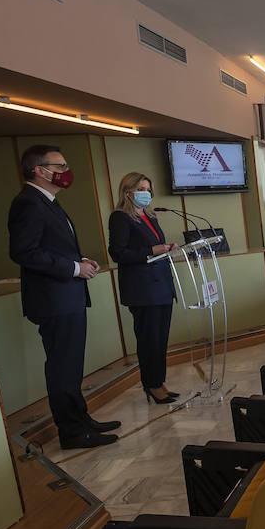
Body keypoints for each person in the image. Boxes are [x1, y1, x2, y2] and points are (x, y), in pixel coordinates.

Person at [8, 145, 120, 449]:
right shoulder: (28, 203)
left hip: (66, 296)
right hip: (53, 300)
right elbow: (24, 252)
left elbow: (51, 247)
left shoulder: (49, 202)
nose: (65, 171)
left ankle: (82, 420)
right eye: (59, 165)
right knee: (62, 367)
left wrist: (80, 261)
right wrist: (73, 268)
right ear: (39, 170)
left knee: (71, 367)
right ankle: (72, 432)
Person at [107, 172, 179, 405]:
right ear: (127, 192)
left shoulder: (150, 215)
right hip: (143, 289)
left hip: (162, 286)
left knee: (161, 339)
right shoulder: (120, 217)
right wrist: (152, 250)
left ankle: (159, 382)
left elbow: (155, 246)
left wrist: (167, 248)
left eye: (148, 189)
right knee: (149, 339)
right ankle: (151, 384)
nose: (146, 194)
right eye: (141, 189)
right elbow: (118, 253)